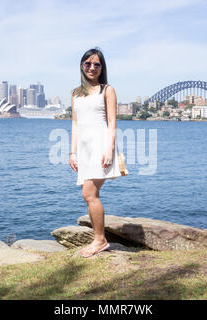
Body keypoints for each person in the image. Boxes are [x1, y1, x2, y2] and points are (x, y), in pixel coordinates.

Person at [69, 48, 122, 258]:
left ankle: (100, 240)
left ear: (102, 68)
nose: (92, 67)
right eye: (88, 63)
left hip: (101, 146)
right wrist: (72, 153)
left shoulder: (107, 90)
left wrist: (109, 149)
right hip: (83, 148)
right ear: (82, 66)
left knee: (89, 193)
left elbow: (112, 124)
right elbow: (75, 124)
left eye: (97, 64)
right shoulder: (75, 93)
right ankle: (98, 238)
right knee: (91, 194)